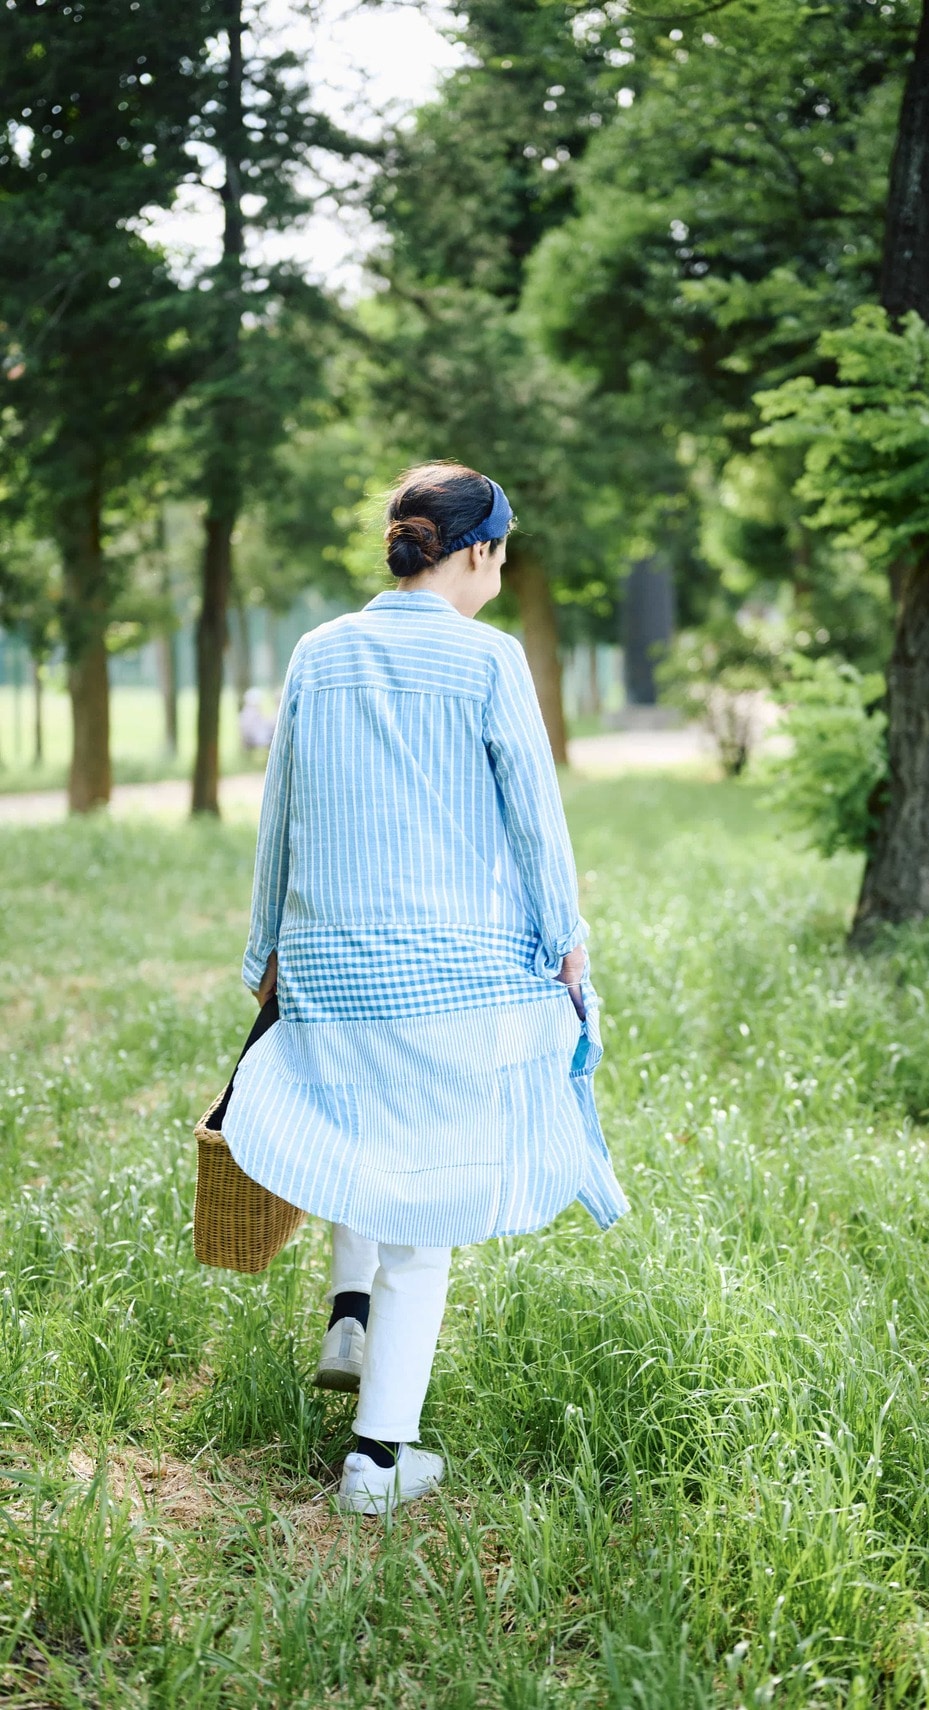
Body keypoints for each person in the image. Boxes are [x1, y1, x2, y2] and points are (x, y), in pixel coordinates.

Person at [221, 462, 627, 1516]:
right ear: (478, 551)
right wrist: (568, 945)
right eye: (504, 551)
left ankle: (347, 1311)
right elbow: (536, 818)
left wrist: (267, 956)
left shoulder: (318, 652)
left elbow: (280, 815)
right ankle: (378, 1462)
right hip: (447, 981)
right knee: (425, 1214)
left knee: (359, 1128)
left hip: (329, 971)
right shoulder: (490, 660)